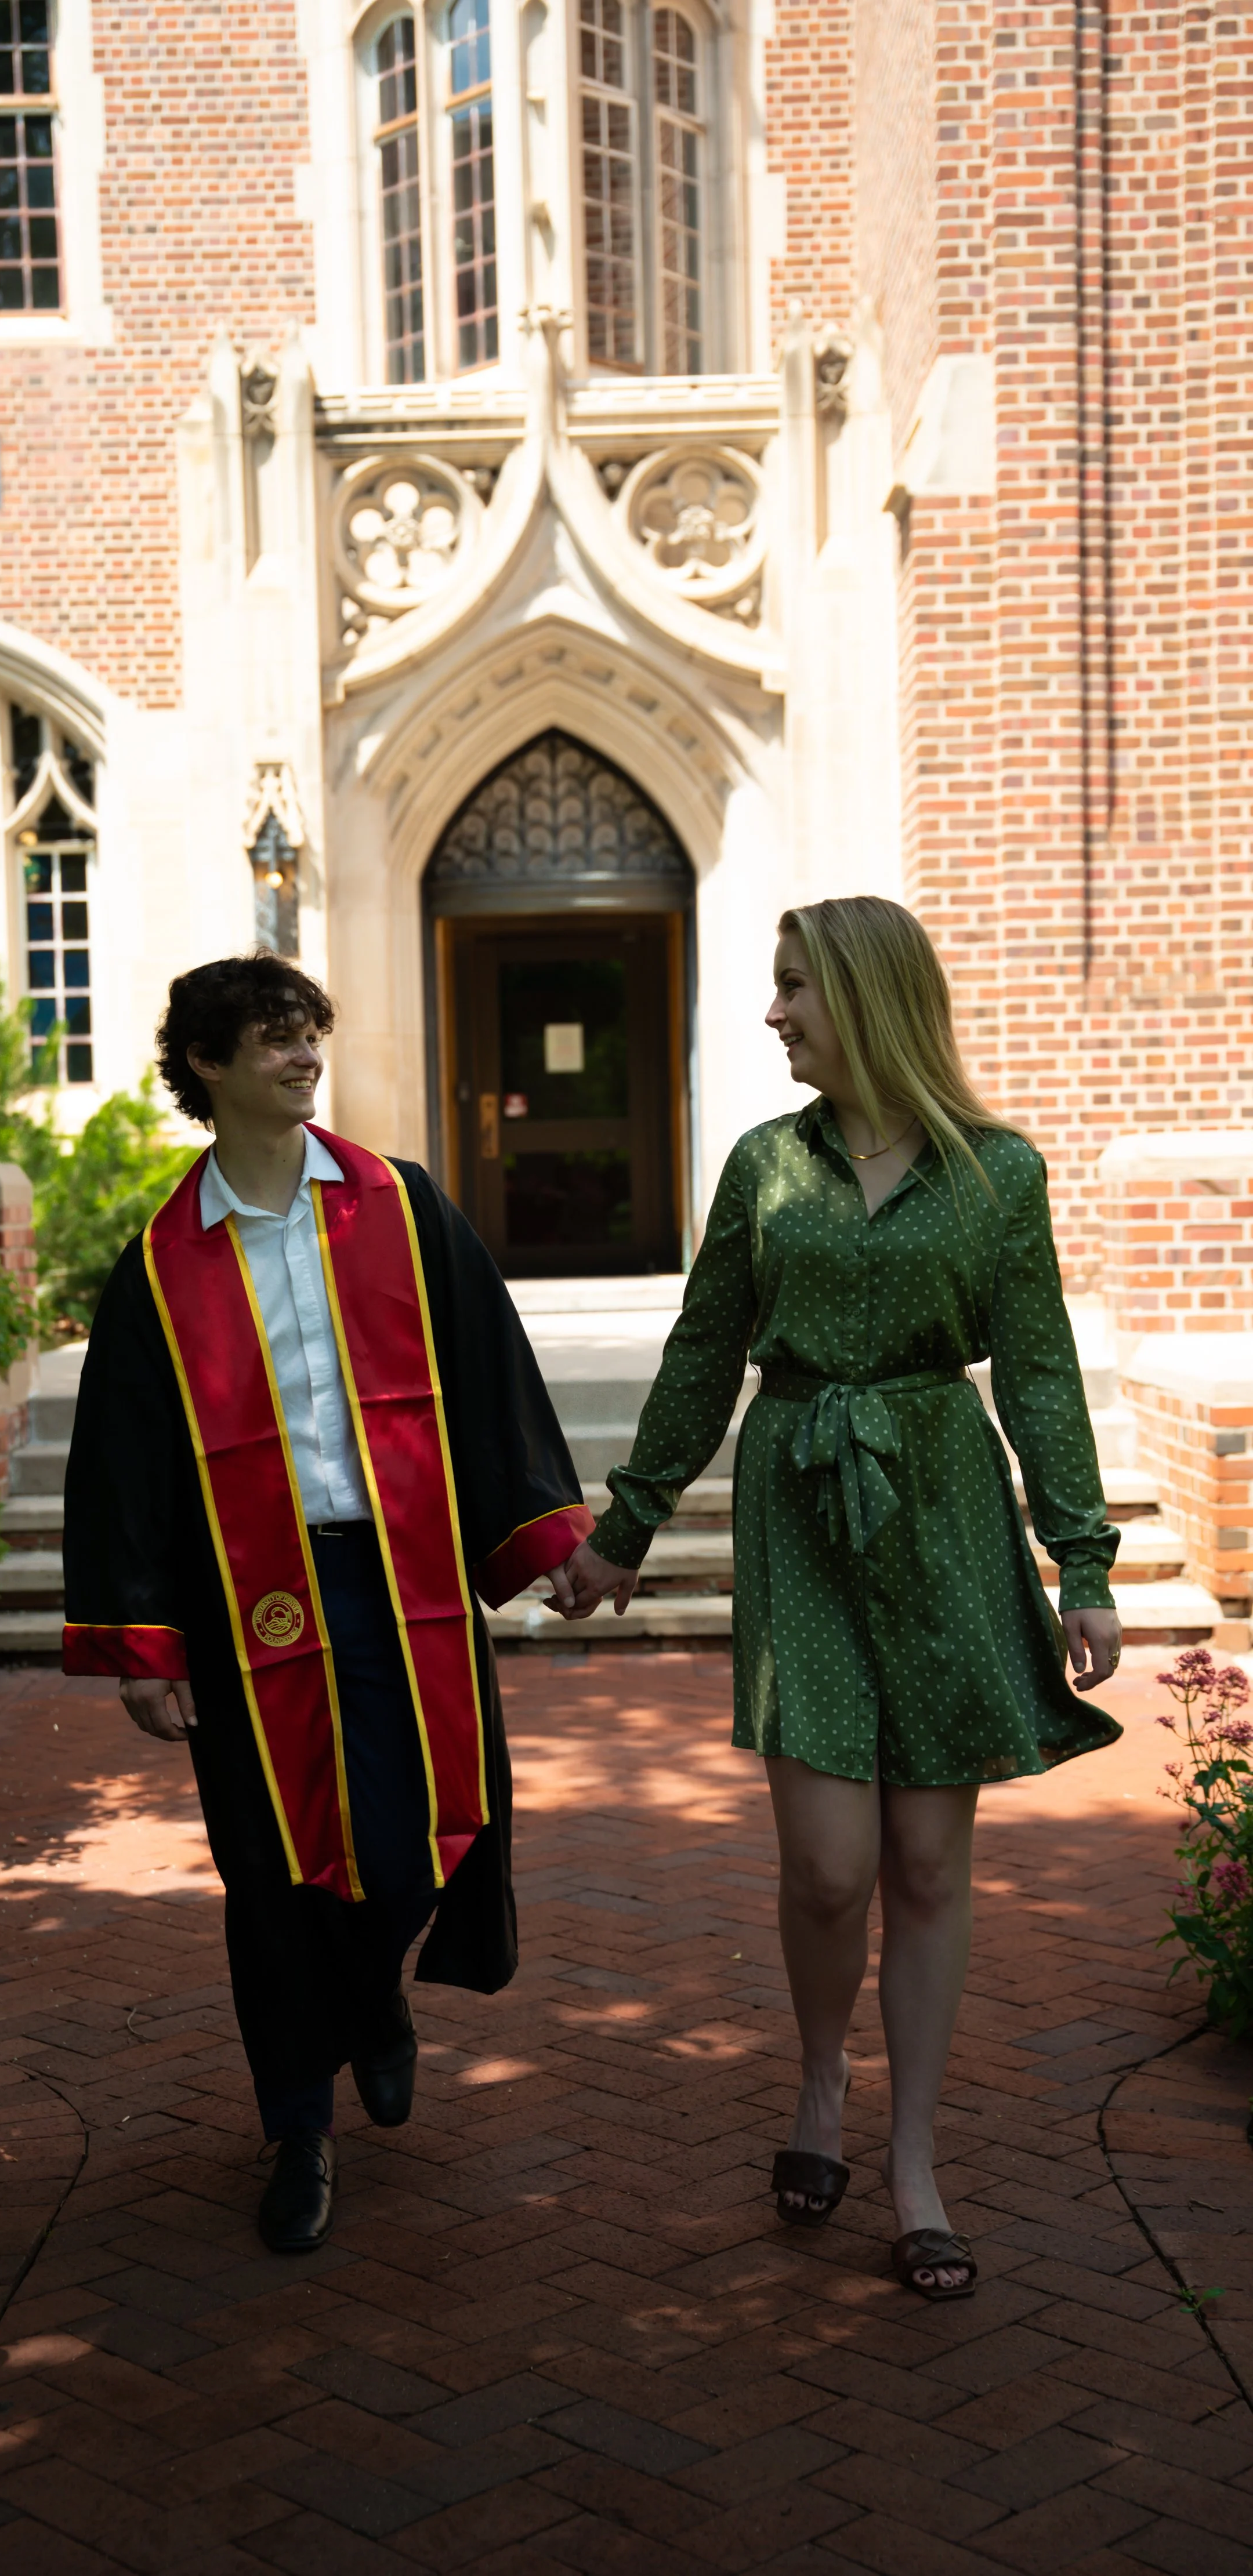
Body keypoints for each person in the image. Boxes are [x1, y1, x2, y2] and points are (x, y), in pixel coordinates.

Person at [562, 896, 1122, 2301]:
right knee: (827, 1864)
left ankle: (912, 2158)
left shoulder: (997, 1174)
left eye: (794, 986)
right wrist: (625, 1524)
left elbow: (1040, 1372)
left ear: (865, 999)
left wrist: (1084, 1559)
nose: (773, 1013)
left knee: (928, 1864)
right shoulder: (765, 1166)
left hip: (940, 1512)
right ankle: (821, 2084)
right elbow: (704, 1353)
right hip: (800, 1506)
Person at [63, 953, 593, 2253]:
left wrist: (550, 1538)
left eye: (312, 1033)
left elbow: (489, 1373)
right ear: (207, 1065)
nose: (305, 1057)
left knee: (428, 1828)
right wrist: (146, 1640)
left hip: (396, 1582)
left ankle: (376, 1998)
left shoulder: (398, 1208)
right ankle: (296, 2124)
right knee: (269, 1864)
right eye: (275, 1039)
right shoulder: (161, 1260)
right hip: (251, 1604)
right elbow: (123, 1459)